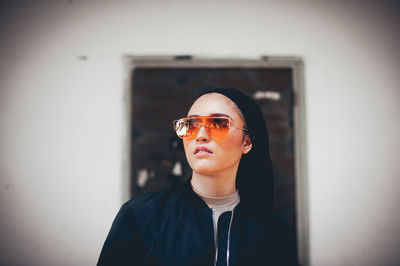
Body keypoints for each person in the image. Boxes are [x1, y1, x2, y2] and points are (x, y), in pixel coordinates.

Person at [97, 87, 298, 266]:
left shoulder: (276, 232)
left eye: (219, 123)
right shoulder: (140, 217)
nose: (200, 134)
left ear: (246, 142)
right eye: (191, 124)